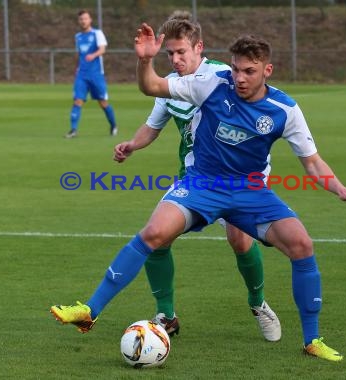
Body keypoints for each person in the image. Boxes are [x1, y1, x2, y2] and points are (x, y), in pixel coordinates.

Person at [50, 23, 346, 362]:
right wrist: (145, 61)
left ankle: (311, 339)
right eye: (236, 69)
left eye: (249, 72)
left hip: (250, 190)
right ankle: (90, 309)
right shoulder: (210, 83)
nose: (239, 78)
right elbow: (152, 87)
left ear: (267, 70)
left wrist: (339, 188)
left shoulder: (285, 110)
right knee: (153, 233)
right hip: (201, 183)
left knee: (301, 244)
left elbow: (312, 162)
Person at [112, 12, 280, 341]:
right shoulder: (171, 87)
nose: (174, 60)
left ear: (198, 47)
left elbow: (262, 104)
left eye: (180, 53)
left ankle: (258, 303)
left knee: (239, 239)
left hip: (237, 177)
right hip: (194, 176)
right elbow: (153, 125)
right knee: (156, 238)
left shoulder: (222, 76)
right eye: (169, 54)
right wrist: (132, 145)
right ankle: (167, 315)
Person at [66, 9, 117, 138]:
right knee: (77, 101)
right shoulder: (78, 36)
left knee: (103, 102)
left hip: (96, 75)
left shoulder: (97, 33)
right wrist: (77, 67)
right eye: (81, 19)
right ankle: (73, 130)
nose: (83, 21)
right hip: (82, 75)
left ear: (90, 20)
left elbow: (102, 49)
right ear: (79, 21)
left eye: (85, 18)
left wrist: (93, 55)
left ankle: (113, 125)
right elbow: (79, 55)